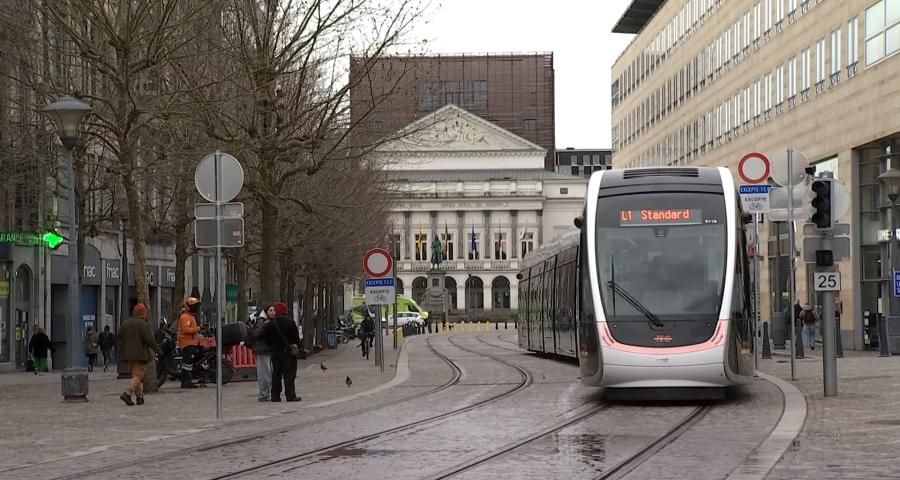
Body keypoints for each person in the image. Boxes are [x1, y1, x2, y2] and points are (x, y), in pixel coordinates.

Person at [117, 303, 160, 406]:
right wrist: (158, 350)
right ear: (143, 313)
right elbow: (149, 340)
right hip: (140, 354)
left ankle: (139, 397)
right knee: (138, 376)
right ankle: (127, 392)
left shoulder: (126, 323)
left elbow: (119, 335)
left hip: (128, 354)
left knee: (136, 375)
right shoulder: (143, 324)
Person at [261, 301, 301, 402]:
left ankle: (275, 395)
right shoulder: (290, 322)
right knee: (289, 375)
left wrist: (272, 346)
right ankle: (290, 395)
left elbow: (266, 338)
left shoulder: (271, 323)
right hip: (288, 352)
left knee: (276, 374)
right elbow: (296, 337)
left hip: (275, 352)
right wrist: (298, 346)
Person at [251, 306, 275, 402]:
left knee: (268, 372)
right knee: (264, 373)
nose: (273, 312)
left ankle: (266, 393)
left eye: (274, 310)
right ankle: (264, 394)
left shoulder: (271, 321)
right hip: (262, 349)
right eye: (270, 310)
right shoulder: (262, 321)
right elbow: (255, 333)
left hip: (268, 350)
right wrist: (265, 325)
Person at [177, 297, 202, 389]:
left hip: (190, 342)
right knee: (187, 363)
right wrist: (198, 329)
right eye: (193, 306)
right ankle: (186, 382)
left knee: (188, 363)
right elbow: (186, 330)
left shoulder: (190, 316)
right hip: (187, 343)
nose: (195, 308)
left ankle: (186, 381)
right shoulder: (186, 317)